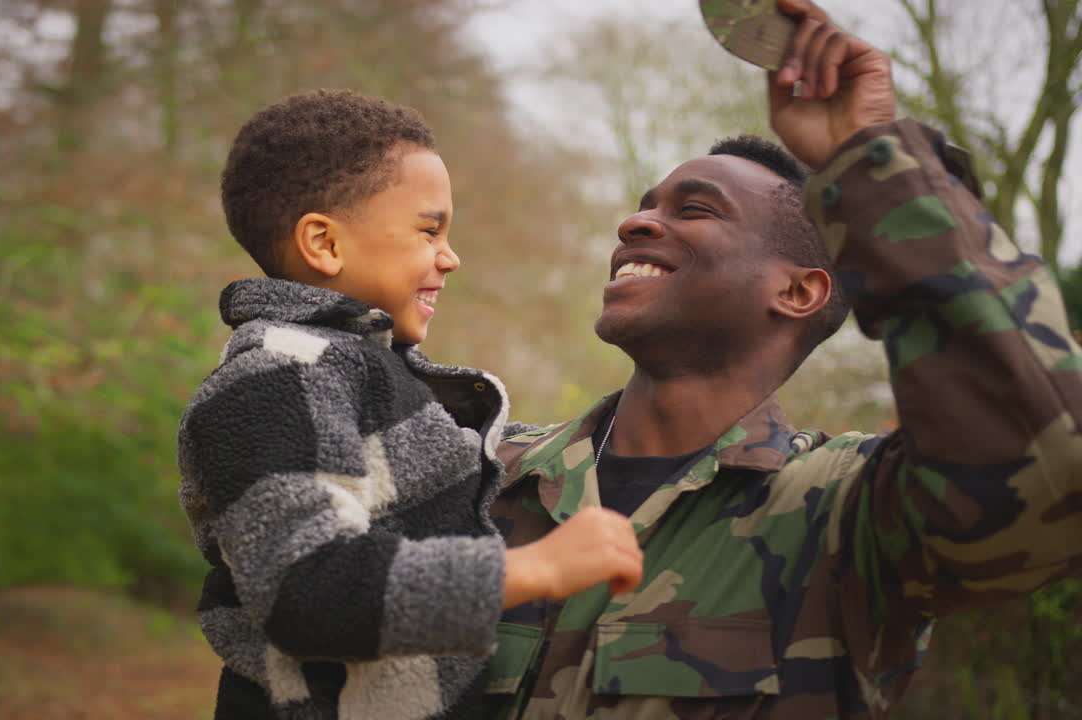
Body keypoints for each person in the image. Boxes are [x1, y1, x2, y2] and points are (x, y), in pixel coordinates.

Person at [485, 0, 1082, 718]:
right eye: (648, 205)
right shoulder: (483, 473)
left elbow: (1042, 466)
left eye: (695, 210)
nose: (636, 222)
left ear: (799, 291)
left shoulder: (844, 518)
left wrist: (871, 155)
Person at [176, 89, 643, 720]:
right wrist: (533, 570)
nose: (450, 257)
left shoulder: (366, 372)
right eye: (430, 230)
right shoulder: (275, 378)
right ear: (325, 244)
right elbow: (307, 590)